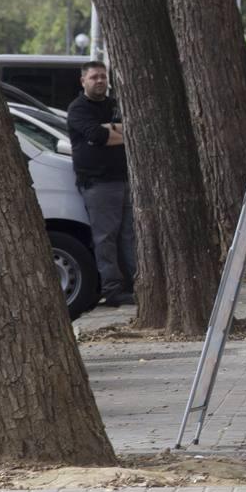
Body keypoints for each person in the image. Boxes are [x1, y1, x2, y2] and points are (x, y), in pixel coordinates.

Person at [66, 60, 136, 307]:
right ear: (83, 81)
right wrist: (117, 133)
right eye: (94, 77)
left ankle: (135, 284)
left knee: (129, 236)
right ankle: (113, 289)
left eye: (103, 77)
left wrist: (112, 131)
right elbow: (97, 135)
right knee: (105, 238)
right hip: (98, 183)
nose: (99, 81)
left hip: (124, 179)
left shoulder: (114, 104)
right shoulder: (78, 109)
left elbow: (133, 131)